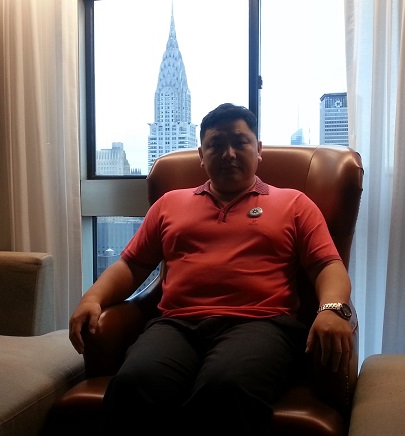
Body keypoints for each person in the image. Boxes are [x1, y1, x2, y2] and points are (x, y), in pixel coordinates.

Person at [69, 103, 353, 435]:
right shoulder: (170, 204)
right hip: (176, 325)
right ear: (201, 156)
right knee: (134, 384)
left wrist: (333, 309)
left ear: (258, 150)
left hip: (261, 324)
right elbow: (131, 264)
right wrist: (93, 299)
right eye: (216, 145)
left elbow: (327, 265)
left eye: (240, 142)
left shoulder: (294, 203)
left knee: (225, 389)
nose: (228, 153)